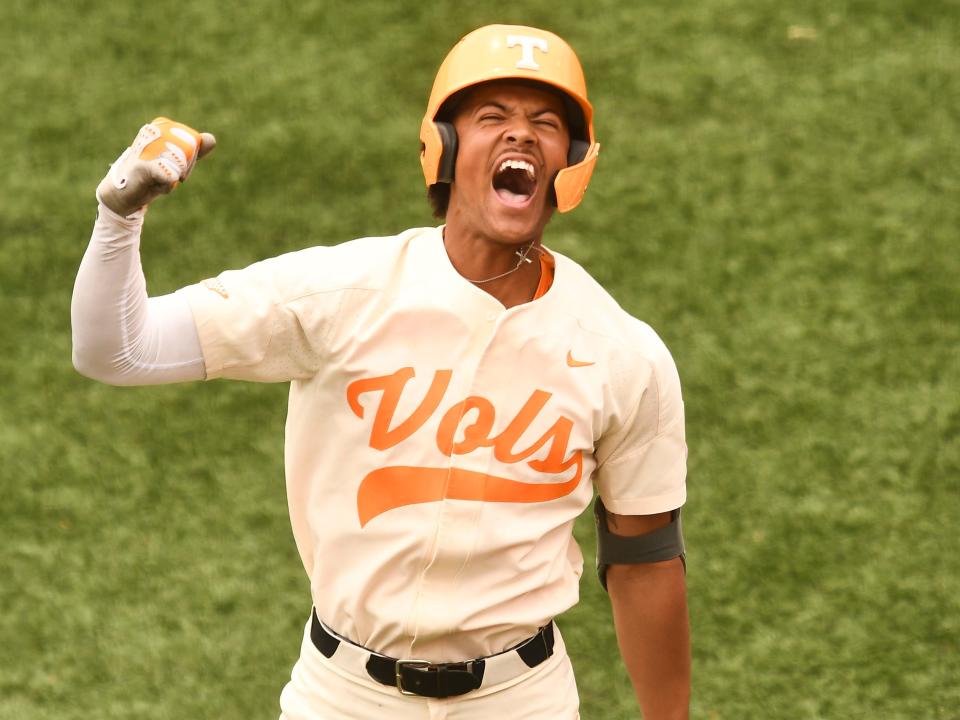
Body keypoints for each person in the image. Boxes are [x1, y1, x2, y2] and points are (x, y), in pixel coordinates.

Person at [72, 24, 690, 720]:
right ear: (443, 148)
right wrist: (118, 215)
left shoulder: (623, 353)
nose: (521, 136)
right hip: (341, 698)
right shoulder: (340, 295)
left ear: (573, 163)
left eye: (546, 124)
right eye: (492, 117)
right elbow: (116, 351)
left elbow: (645, 561)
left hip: (523, 701)